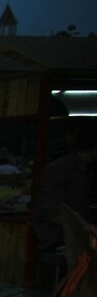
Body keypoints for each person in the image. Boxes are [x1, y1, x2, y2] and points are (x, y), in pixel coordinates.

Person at [32, 123, 97, 287]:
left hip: (75, 243)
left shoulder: (86, 170)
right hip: (55, 242)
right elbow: (49, 210)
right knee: (55, 291)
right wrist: (85, 228)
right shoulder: (60, 169)